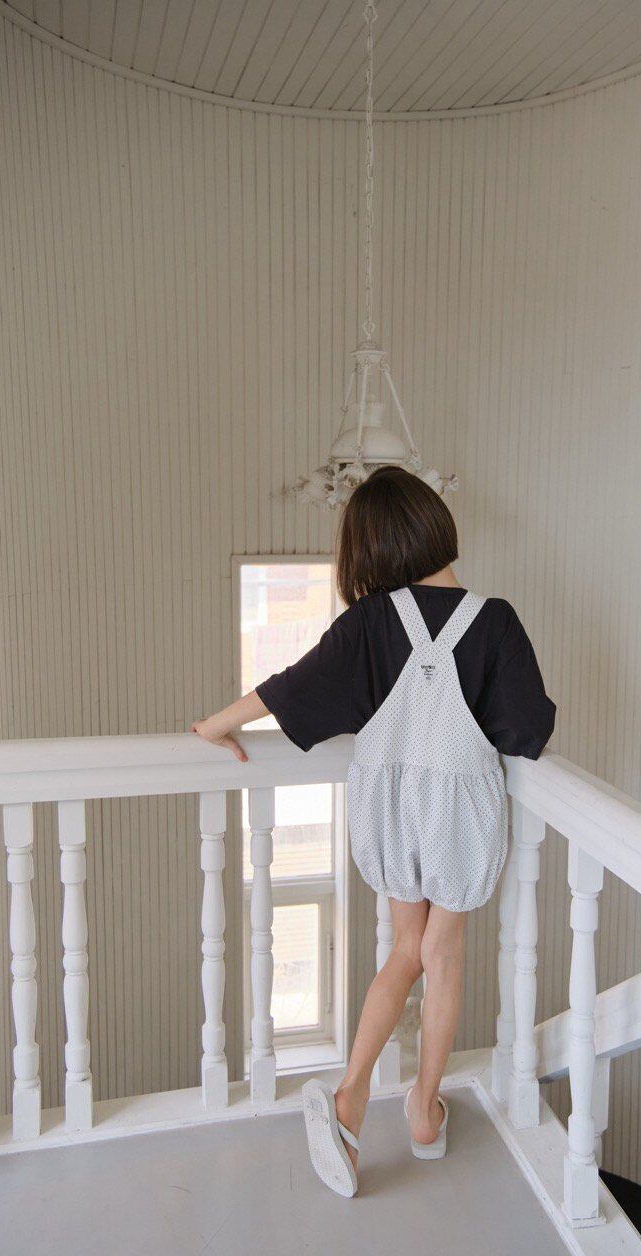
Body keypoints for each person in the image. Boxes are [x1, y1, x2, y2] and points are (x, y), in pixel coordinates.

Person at [192, 465, 555, 1197]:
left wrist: (217, 723)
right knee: (442, 955)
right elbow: (525, 732)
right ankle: (423, 1112)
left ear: (373, 550)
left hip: (389, 807)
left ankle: (351, 1093)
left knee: (404, 950)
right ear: (433, 526)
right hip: (460, 812)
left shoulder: (371, 622)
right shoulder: (494, 621)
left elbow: (293, 685)